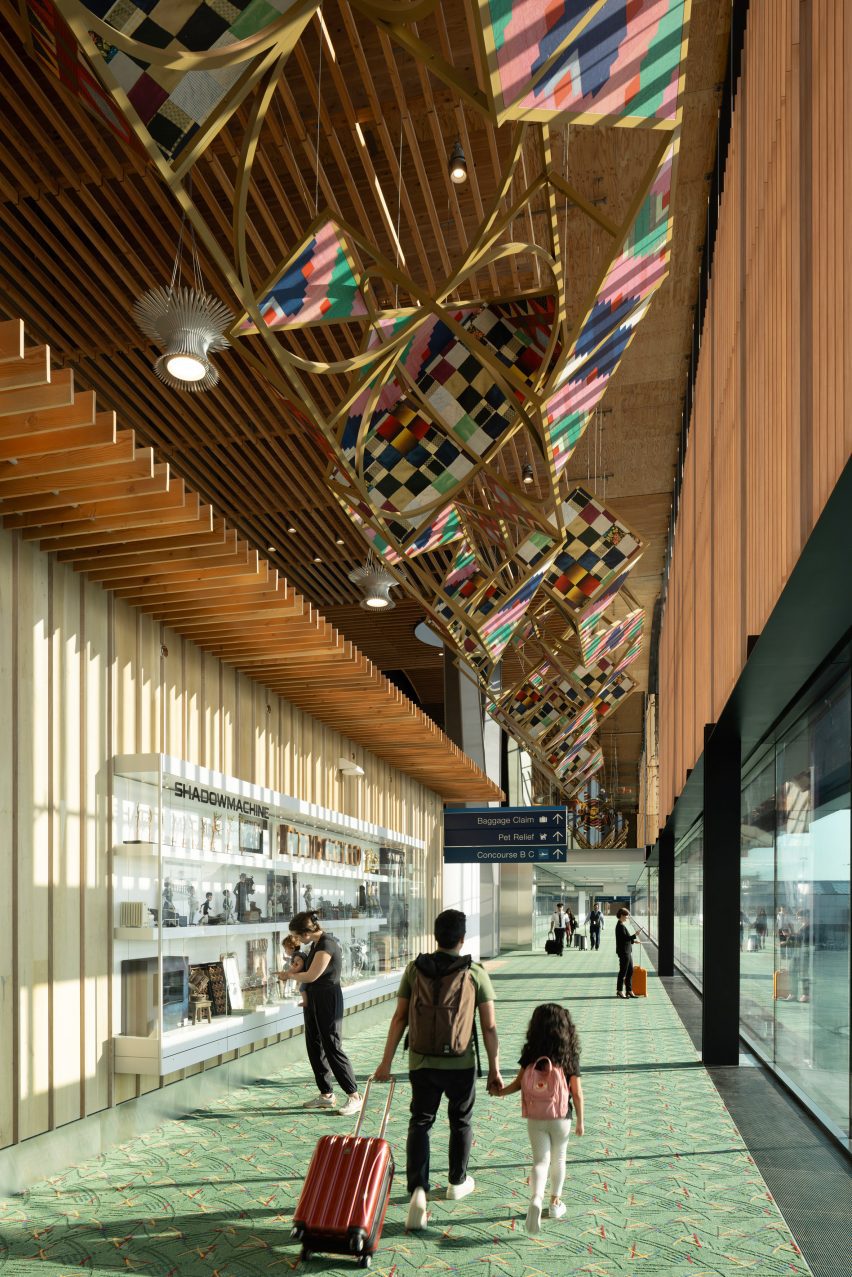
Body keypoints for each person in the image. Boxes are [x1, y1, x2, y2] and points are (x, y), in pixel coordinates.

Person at [373, 908, 503, 1231]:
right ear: (462, 939)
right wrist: (495, 1069)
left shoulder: (415, 970)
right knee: (460, 1120)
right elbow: (489, 1026)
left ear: (435, 937)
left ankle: (418, 1189)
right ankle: (457, 1182)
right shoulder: (475, 972)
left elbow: (399, 1018)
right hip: (461, 1063)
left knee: (420, 1121)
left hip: (421, 1061)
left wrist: (386, 1062)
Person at [495, 1003, 584, 1234]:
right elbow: (577, 1092)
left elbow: (518, 1084)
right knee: (559, 1159)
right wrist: (581, 1121)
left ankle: (536, 1198)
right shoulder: (568, 1054)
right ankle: (555, 1203)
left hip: (536, 1115)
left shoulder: (531, 1053)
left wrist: (500, 1091)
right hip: (561, 1116)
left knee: (540, 1161)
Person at [287, 911, 363, 1117]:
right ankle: (326, 1094)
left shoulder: (327, 944)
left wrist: (289, 975)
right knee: (314, 1045)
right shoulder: (314, 945)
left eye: (296, 934)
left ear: (305, 932)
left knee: (331, 1046)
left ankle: (354, 1096)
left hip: (328, 999)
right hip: (314, 999)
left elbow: (312, 975)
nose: (295, 939)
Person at [614, 907, 639, 999]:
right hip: (624, 952)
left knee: (630, 971)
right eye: (626, 915)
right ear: (622, 916)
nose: (627, 917)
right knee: (623, 972)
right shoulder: (620, 926)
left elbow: (625, 939)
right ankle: (619, 991)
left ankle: (629, 990)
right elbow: (625, 938)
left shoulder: (622, 925)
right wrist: (634, 935)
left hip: (627, 951)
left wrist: (633, 941)